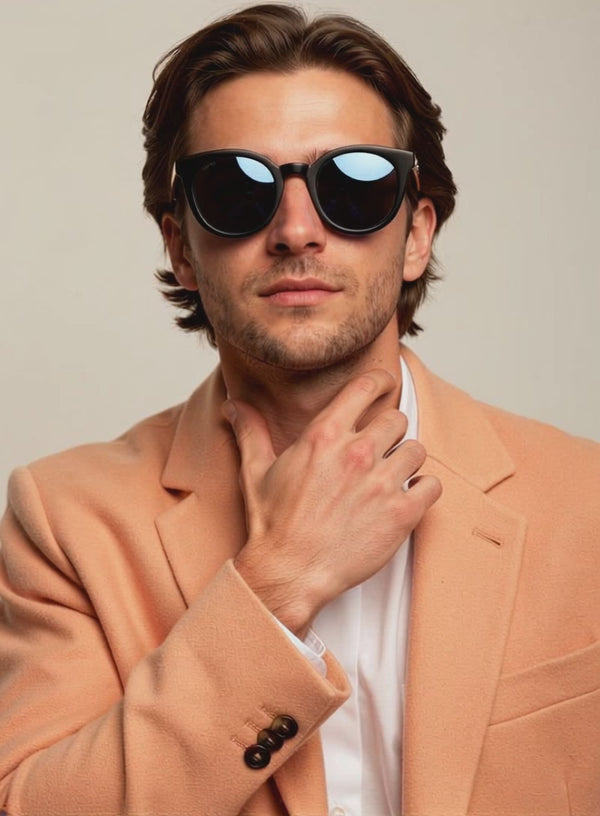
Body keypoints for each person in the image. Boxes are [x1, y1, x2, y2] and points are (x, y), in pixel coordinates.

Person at [0, 4, 598, 815]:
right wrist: (273, 587)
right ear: (181, 249)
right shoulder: (65, 522)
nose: (295, 230)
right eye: (234, 189)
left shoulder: (585, 503)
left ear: (416, 233)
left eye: (354, 183)